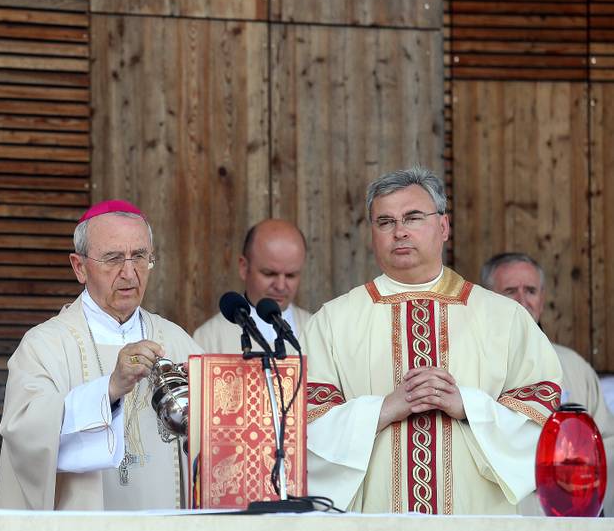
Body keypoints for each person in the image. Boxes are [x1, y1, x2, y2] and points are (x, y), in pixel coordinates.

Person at [303, 167, 562, 514]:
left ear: (443, 226)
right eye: (385, 222)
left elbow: (542, 414)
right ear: (372, 235)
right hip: (376, 517)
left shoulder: (505, 318)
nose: (399, 232)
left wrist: (468, 407)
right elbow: (300, 428)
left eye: (412, 218)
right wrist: (380, 411)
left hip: (477, 516)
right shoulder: (332, 322)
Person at [0, 200, 201, 510]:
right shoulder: (45, 345)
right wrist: (110, 389)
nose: (129, 273)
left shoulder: (176, 341)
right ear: (80, 267)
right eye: (113, 258)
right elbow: (24, 434)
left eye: (140, 257)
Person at [481, 252, 614, 516]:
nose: (522, 300)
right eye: (510, 291)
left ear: (542, 298)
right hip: (498, 514)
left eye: (530, 290)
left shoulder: (573, 366)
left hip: (566, 513)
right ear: (487, 300)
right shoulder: (471, 365)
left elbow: (606, 443)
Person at [193, 219, 310, 354]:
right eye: (269, 274)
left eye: (291, 275)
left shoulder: (318, 331)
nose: (280, 286)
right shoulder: (210, 339)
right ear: (244, 267)